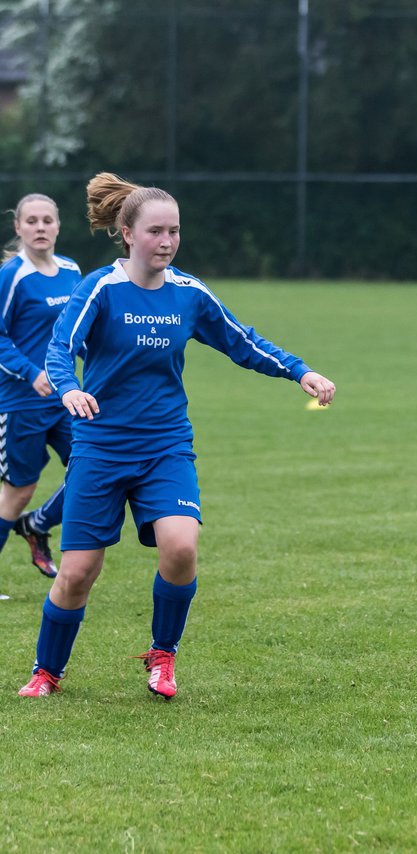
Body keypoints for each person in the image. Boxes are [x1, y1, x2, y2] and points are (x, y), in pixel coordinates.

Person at [18, 173, 336, 698]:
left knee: (182, 546)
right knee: (76, 573)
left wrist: (299, 372)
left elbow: (242, 342)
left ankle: (162, 657)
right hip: (100, 446)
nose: (167, 242)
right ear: (126, 233)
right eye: (156, 232)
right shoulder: (100, 287)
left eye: (175, 232)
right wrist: (69, 389)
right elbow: (60, 346)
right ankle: (47, 671)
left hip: (165, 446)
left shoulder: (189, 294)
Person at [0, 193, 81, 580]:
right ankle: (28, 520)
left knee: (91, 469)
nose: (40, 228)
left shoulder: (71, 271)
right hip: (20, 402)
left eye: (47, 220)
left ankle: (39, 524)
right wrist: (32, 372)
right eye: (31, 221)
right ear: (18, 227)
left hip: (67, 398)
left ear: (58, 225)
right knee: (19, 492)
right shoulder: (11, 276)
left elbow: (81, 330)